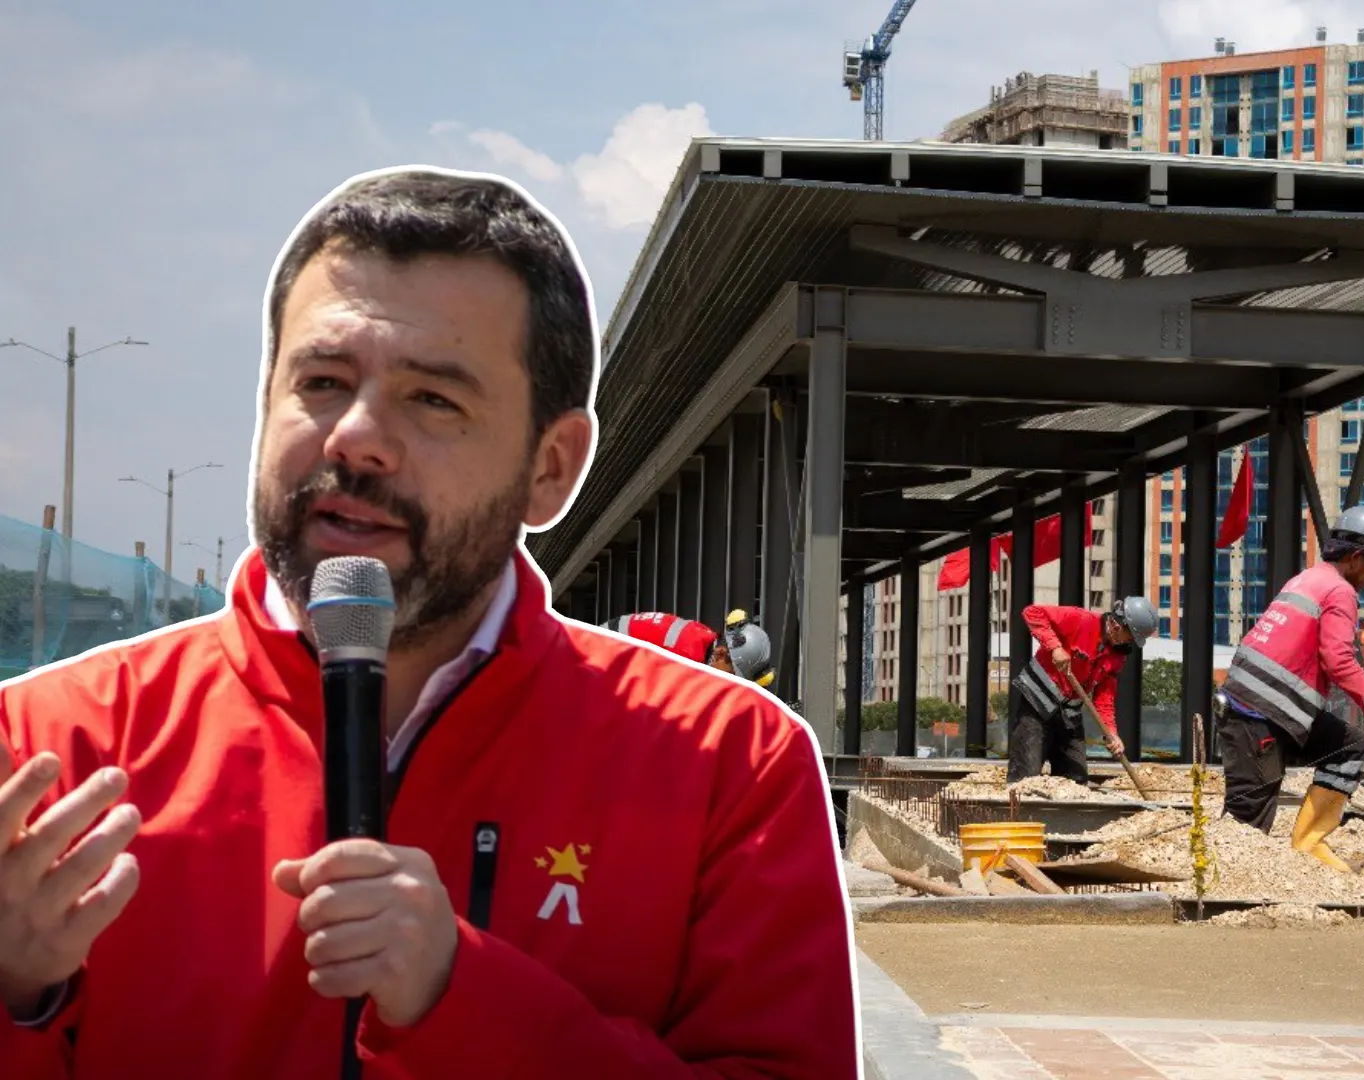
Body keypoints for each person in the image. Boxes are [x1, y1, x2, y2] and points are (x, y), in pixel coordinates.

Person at [0, 167, 857, 1077]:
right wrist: (18, 995)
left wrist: (465, 997)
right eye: (322, 381)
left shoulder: (728, 764)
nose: (356, 437)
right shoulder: (50, 753)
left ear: (550, 467)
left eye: (433, 399)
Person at [1215, 505, 1364, 872]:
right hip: (1260, 713)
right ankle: (1223, 878)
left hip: (1261, 706)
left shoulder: (1307, 578)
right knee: (1248, 815)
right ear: (1355, 557)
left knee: (1349, 745)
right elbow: (1339, 662)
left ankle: (1308, 845)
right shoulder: (1340, 591)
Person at [1007, 597, 1157, 785]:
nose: (1131, 642)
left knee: (1075, 780)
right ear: (1117, 625)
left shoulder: (1117, 657)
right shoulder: (1081, 620)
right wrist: (1055, 648)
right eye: (1131, 636)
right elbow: (1032, 612)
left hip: (1069, 715)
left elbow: (1104, 698)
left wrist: (1111, 732)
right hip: (1037, 704)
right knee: (1025, 777)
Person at [610, 608, 777, 688]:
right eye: (732, 675)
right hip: (605, 651)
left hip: (611, 645)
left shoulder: (703, 638)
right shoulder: (685, 657)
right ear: (720, 653)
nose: (729, 683)